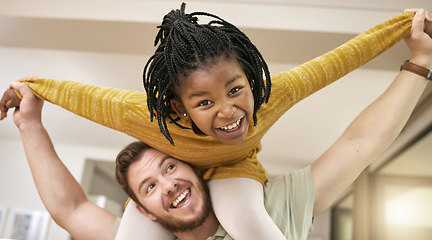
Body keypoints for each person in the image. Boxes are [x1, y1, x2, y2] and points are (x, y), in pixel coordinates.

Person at [1, 5, 431, 240]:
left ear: (196, 170)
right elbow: (70, 208)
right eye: (148, 187)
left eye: (169, 167)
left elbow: (358, 140)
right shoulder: (145, 125)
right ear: (141, 210)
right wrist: (31, 114)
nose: (167, 184)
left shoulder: (275, 206)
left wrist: (416, 57)